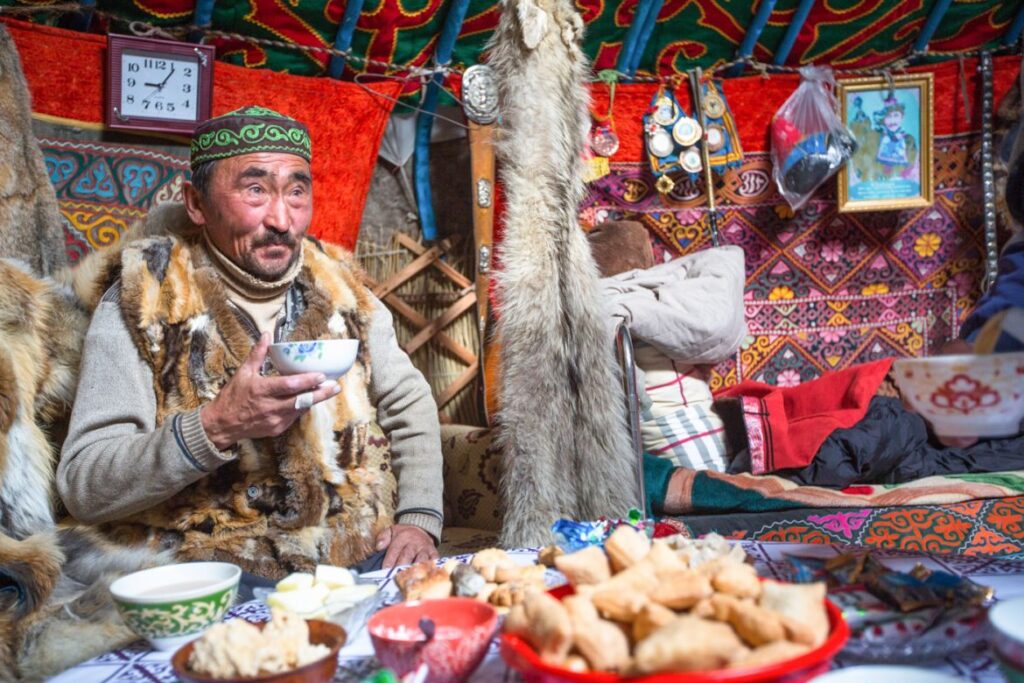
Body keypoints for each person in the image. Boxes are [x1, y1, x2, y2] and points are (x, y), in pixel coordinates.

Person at [57, 106, 442, 577]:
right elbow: (84, 483)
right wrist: (216, 427)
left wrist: (419, 520)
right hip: (203, 566)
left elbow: (410, 401)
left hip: (351, 555)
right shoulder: (145, 298)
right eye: (255, 190)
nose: (282, 219)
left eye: (297, 191)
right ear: (197, 203)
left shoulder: (341, 287)